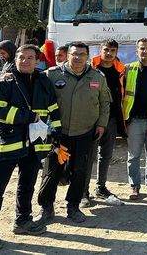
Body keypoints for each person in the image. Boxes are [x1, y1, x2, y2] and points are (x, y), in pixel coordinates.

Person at [0, 45, 61, 252]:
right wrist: (27, 117)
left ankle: (23, 221)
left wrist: (57, 135)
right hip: (8, 145)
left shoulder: (43, 81)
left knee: (27, 186)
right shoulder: (5, 81)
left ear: (37, 61)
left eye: (29, 58)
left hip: (35, 146)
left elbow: (53, 109)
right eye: (21, 57)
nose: (24, 61)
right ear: (15, 59)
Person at [37, 42, 111, 224]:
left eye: (82, 54)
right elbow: (33, 85)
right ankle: (46, 207)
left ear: (88, 56)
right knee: (51, 171)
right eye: (74, 54)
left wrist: (101, 124)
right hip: (58, 134)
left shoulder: (97, 77)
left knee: (80, 170)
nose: (78, 58)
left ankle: (73, 206)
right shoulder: (52, 75)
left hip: (85, 132)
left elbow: (104, 103)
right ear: (67, 55)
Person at [83, 39, 126, 206]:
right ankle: (83, 191)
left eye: (112, 51)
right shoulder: (90, 68)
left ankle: (101, 187)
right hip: (92, 119)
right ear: (100, 50)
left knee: (106, 156)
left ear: (116, 53)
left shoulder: (120, 70)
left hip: (112, 119)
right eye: (106, 50)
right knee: (89, 157)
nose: (109, 53)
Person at [123, 38, 147, 200]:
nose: (145, 51)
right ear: (136, 51)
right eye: (141, 48)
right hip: (135, 119)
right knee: (133, 155)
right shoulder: (128, 69)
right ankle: (135, 186)